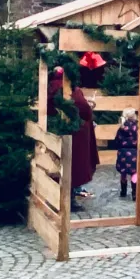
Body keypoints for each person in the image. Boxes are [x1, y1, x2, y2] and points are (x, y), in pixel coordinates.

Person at [47, 67, 99, 211]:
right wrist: (89, 109)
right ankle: (68, 199)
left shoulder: (50, 88)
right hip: (75, 136)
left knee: (57, 164)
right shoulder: (70, 89)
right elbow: (83, 109)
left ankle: (55, 196)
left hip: (55, 133)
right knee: (73, 167)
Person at [113, 108, 138, 199]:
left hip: (122, 152)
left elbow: (116, 140)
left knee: (123, 173)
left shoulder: (122, 127)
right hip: (134, 152)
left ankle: (123, 192)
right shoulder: (137, 127)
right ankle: (134, 193)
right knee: (134, 173)